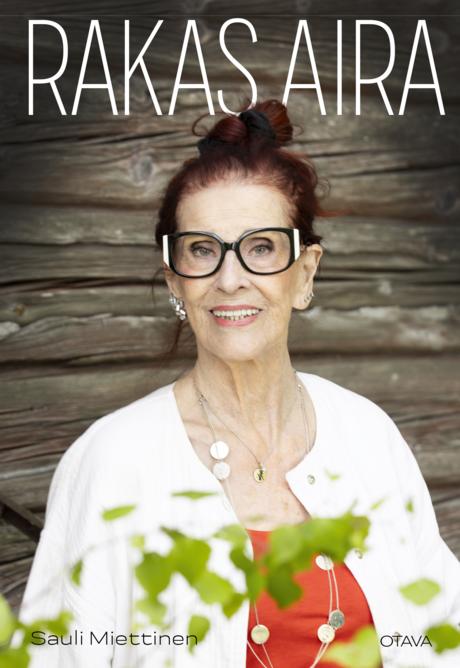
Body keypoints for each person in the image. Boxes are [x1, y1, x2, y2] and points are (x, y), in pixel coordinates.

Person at [15, 100, 460, 668]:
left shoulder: (368, 434)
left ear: (305, 273)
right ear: (175, 281)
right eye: (202, 250)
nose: (230, 280)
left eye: (261, 248)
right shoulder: (112, 459)